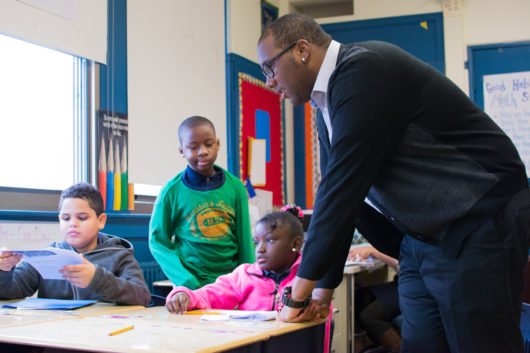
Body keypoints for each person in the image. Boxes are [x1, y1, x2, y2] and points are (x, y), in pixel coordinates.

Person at [257, 13, 530, 353]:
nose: (268, 81)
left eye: (269, 67)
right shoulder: (325, 106)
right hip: (422, 239)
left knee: (481, 344)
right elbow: (340, 198)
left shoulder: (363, 69)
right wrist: (322, 291)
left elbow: (343, 189)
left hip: (477, 219)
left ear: (301, 49)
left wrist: (296, 295)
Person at [165, 206, 331, 353]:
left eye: (270, 240)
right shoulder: (244, 275)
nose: (260, 249)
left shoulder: (307, 278)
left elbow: (322, 311)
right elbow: (213, 294)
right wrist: (186, 295)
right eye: (256, 242)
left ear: (296, 243)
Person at [0, 182, 151, 306]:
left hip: (102, 333)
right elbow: (10, 292)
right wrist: (4, 270)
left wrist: (96, 278)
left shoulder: (119, 255)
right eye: (66, 218)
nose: (73, 224)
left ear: (101, 221)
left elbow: (142, 296)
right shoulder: (46, 255)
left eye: (82, 218)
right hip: (55, 336)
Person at [149, 115, 255, 290]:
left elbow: (244, 240)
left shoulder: (236, 187)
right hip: (192, 286)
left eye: (209, 144)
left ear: (218, 144)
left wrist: (248, 281)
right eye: (193, 147)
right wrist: (185, 281)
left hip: (231, 285)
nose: (203, 151)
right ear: (182, 150)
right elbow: (158, 241)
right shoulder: (171, 192)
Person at [350, 245, 401, 353]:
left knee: (370, 315)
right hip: (401, 283)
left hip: (417, 288)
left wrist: (374, 251)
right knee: (358, 299)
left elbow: (403, 266)